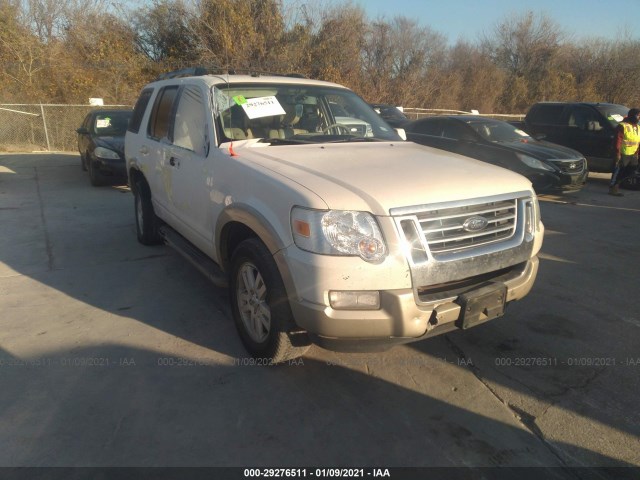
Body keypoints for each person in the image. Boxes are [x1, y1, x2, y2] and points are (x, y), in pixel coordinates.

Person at [609, 108, 640, 196]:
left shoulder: (638, 127)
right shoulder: (623, 126)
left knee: (632, 170)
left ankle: (619, 183)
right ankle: (613, 188)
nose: (639, 118)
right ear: (632, 116)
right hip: (623, 153)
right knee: (619, 170)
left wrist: (638, 153)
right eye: (638, 115)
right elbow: (617, 141)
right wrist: (617, 153)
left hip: (633, 154)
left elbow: (638, 141)